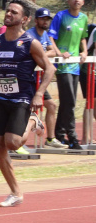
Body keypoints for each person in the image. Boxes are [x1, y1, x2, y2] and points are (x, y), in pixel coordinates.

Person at [0, 0, 52, 207]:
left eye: (14, 12)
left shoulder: (30, 43)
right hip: (1, 98)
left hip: (22, 98)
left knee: (13, 142)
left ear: (24, 19)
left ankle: (33, 121)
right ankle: (15, 192)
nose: (8, 14)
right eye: (8, 11)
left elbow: (50, 69)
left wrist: (39, 94)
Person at [48, 0, 89, 149]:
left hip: (75, 65)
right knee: (70, 100)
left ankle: (59, 134)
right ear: (68, 1)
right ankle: (72, 137)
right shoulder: (61, 16)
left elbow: (83, 37)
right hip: (62, 65)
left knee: (67, 102)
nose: (76, 0)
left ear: (83, 2)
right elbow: (51, 37)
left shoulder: (83, 18)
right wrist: (59, 53)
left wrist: (84, 51)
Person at [27, 8, 63, 148]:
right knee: (22, 109)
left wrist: (42, 55)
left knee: (52, 105)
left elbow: (52, 51)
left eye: (47, 19)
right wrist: (42, 54)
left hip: (39, 80)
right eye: (42, 19)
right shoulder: (30, 35)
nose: (45, 21)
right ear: (36, 20)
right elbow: (31, 54)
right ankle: (15, 141)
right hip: (28, 78)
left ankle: (50, 139)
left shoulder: (45, 35)